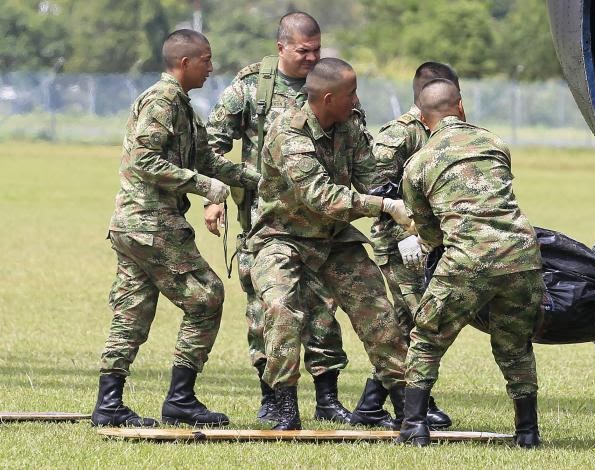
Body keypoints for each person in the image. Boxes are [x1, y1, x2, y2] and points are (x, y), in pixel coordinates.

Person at [91, 29, 261, 428]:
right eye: (206, 59)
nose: (211, 67)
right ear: (184, 63)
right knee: (207, 297)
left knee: (132, 312)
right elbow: (144, 161)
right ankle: (181, 398)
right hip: (151, 223)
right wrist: (203, 186)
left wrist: (259, 180)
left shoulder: (181, 105)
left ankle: (108, 404)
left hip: (135, 226)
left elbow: (206, 159)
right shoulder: (163, 100)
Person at [247, 57, 411, 430]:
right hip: (282, 236)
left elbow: (373, 178)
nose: (356, 100)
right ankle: (284, 404)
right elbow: (320, 196)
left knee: (378, 311)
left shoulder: (350, 126)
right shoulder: (287, 132)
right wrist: (383, 205)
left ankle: (407, 403)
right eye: (350, 93)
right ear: (327, 97)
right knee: (281, 309)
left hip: (334, 238)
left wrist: (408, 210)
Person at [205, 12, 351, 425]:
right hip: (263, 221)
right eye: (304, 51)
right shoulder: (253, 87)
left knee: (323, 309)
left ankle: (328, 398)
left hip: (321, 220)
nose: (311, 58)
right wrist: (217, 194)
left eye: (317, 50)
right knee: (268, 309)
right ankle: (273, 397)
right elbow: (211, 144)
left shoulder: (327, 83)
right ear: (281, 47)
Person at [397, 79, 545, 447]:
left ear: (421, 117)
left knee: (427, 338)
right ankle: (527, 433)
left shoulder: (418, 165)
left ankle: (414, 427)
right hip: (522, 257)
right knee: (515, 346)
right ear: (460, 107)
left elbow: (430, 233)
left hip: (467, 260)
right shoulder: (496, 143)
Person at [352, 62, 459, 429]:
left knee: (402, 322)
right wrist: (408, 235)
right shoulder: (399, 135)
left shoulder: (438, 131)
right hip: (400, 244)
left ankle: (369, 405)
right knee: (419, 320)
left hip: (424, 240)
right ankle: (420, 402)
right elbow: (376, 192)